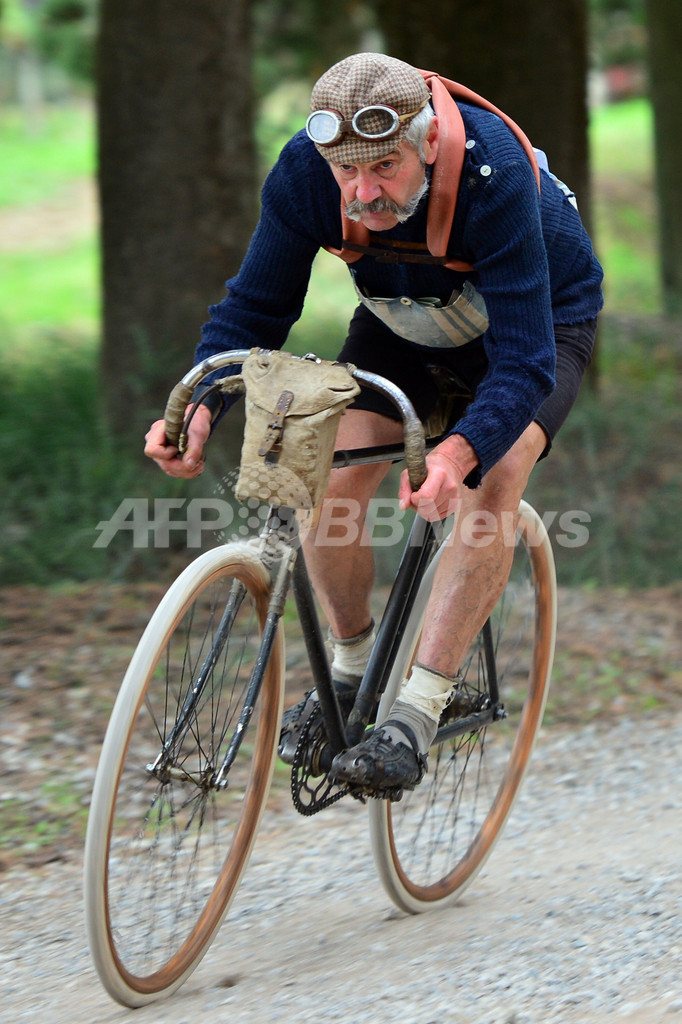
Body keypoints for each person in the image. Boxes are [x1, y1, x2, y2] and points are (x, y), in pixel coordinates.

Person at [145, 52, 603, 795]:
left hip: (533, 326)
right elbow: (254, 310)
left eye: (384, 167)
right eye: (345, 173)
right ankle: (353, 671)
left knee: (495, 479)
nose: (362, 192)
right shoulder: (303, 173)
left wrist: (459, 453)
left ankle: (415, 717)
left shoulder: (494, 175)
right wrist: (200, 403)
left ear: (427, 142)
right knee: (327, 470)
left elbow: (523, 364)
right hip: (407, 320)